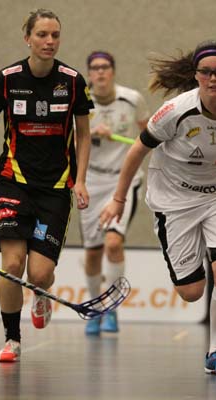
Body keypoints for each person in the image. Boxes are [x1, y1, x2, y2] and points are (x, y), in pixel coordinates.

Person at [100, 40, 216, 375]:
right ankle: (198, 249)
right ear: (196, 76)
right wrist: (119, 198)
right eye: (206, 72)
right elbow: (136, 151)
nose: (213, 78)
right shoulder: (175, 111)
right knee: (191, 292)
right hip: (174, 202)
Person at [0, 9, 93, 363]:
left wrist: (81, 180)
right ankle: (12, 339)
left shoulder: (72, 81)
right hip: (13, 181)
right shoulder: (7, 79)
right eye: (42, 35)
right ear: (28, 38)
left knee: (39, 273)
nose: (49, 41)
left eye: (55, 35)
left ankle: (42, 291)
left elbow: (83, 135)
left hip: (56, 187)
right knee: (12, 265)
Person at [80, 51, 149, 336]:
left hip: (123, 180)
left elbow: (148, 135)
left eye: (105, 67)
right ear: (89, 73)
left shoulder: (132, 99)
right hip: (91, 181)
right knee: (93, 252)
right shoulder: (81, 102)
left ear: (113, 71)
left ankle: (111, 308)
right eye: (95, 68)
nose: (100, 72)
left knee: (113, 244)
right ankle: (95, 308)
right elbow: (68, 140)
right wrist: (90, 133)